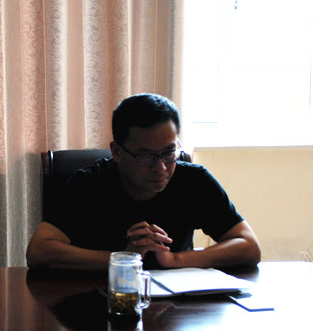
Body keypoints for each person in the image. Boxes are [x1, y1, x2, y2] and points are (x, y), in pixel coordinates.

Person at [26, 93, 260, 270]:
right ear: (117, 152)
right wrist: (124, 259)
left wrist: (176, 259)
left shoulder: (194, 181)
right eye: (145, 156)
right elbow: (38, 251)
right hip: (99, 301)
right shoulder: (89, 183)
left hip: (175, 306)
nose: (160, 168)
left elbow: (249, 245)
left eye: (169, 153)